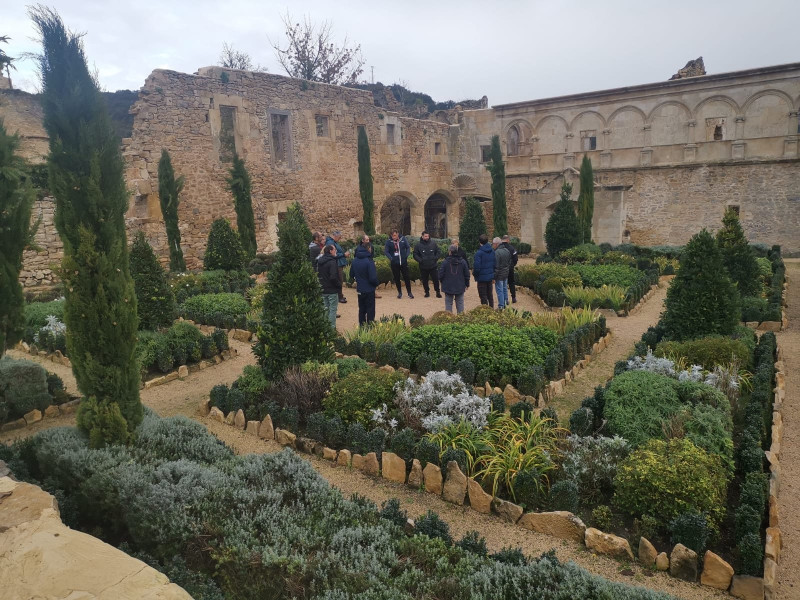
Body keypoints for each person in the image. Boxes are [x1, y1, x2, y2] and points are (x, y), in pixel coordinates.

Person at [351, 241, 379, 325]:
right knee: (370, 309)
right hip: (369, 289)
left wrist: (358, 279)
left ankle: (362, 326)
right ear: (369, 249)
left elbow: (351, 275)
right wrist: (376, 284)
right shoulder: (369, 261)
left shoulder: (355, 260)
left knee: (362, 309)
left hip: (360, 289)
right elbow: (372, 278)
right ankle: (370, 326)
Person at [438, 244, 470, 314]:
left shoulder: (445, 262)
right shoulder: (463, 262)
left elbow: (441, 274)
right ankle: (460, 319)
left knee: (448, 304)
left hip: (448, 285)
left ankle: (449, 320)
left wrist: (442, 281)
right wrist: (467, 284)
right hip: (460, 285)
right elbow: (467, 274)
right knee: (460, 303)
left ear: (450, 252)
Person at [384, 229, 414, 299]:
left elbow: (408, 247)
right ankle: (399, 293)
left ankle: (409, 293)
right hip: (394, 263)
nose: (393, 237)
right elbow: (386, 251)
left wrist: (406, 256)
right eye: (392, 236)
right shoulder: (388, 242)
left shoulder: (403, 239)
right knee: (397, 278)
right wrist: (391, 258)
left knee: (406, 277)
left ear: (397, 234)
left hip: (403, 262)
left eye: (394, 235)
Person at [317, 244, 341, 329]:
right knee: (332, 310)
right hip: (332, 289)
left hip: (323, 288)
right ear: (330, 251)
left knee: (325, 309)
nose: (336, 251)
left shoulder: (320, 261)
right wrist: (339, 285)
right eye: (334, 250)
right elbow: (333, 277)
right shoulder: (332, 262)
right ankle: (331, 329)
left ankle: (325, 328)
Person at [412, 230, 441, 298]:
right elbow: (415, 254)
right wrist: (420, 260)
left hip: (433, 265)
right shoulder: (418, 245)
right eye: (425, 236)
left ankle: (438, 292)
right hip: (423, 266)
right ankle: (427, 292)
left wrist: (435, 259)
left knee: (436, 279)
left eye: (428, 236)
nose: (427, 237)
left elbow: (438, 251)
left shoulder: (433, 243)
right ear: (422, 236)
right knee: (425, 280)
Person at [325, 231, 350, 303]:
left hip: (338, 263)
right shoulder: (330, 243)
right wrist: (344, 255)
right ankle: (339, 296)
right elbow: (333, 254)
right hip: (337, 264)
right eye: (339, 237)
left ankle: (339, 295)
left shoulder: (333, 242)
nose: (340, 239)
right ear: (335, 236)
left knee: (339, 280)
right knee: (339, 280)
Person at [472, 234, 495, 308]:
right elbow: (494, 263)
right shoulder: (492, 251)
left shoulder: (479, 253)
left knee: (483, 296)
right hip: (490, 276)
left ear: (480, 242)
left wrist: (475, 274)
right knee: (490, 295)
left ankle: (486, 312)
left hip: (481, 278)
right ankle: (492, 309)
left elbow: (477, 267)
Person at [493, 237, 511, 310]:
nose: (493, 245)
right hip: (506, 273)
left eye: (493, 244)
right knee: (504, 288)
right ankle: (506, 301)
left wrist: (494, 277)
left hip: (500, 274)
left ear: (496, 244)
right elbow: (509, 262)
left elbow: (496, 266)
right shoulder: (507, 250)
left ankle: (501, 305)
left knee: (499, 290)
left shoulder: (496, 252)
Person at [500, 234, 519, 303]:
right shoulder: (512, 248)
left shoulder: (499, 248)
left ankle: (505, 299)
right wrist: (512, 265)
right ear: (508, 240)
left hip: (501, 269)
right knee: (511, 282)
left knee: (502, 284)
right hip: (510, 268)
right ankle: (513, 297)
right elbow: (516, 258)